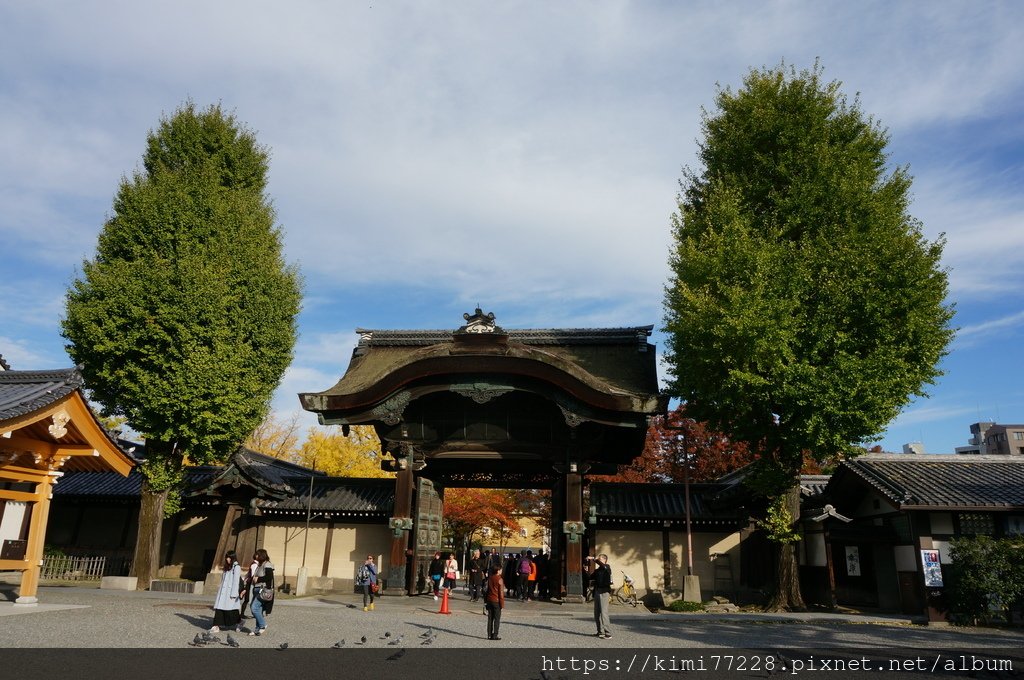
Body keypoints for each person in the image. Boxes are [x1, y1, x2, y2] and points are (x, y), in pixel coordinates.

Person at [210, 550, 243, 633]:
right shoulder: (226, 567)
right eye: (227, 557)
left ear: (233, 557)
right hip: (223, 592)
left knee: (231, 611)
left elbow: (236, 581)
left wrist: (234, 593)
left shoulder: (236, 567)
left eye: (229, 557)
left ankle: (239, 622)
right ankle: (216, 626)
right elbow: (223, 580)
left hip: (230, 592)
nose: (228, 559)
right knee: (219, 608)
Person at [249, 548, 275, 636]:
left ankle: (263, 625)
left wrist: (258, 579)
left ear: (262, 555)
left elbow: (269, 577)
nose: (256, 556)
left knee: (254, 608)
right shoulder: (260, 565)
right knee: (258, 610)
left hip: (262, 589)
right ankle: (258, 629)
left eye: (257, 554)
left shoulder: (267, 564)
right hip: (256, 588)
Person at [588, 554, 613, 639]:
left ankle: (608, 633)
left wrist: (594, 559)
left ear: (605, 560)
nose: (598, 560)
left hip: (604, 592)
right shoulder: (597, 570)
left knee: (604, 613)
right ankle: (600, 631)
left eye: (600, 558)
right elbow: (590, 577)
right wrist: (585, 570)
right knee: (596, 614)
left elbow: (601, 565)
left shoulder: (607, 568)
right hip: (597, 592)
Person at [484, 565, 505, 640]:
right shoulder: (500, 579)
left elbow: (486, 590)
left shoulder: (490, 578)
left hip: (489, 600)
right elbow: (501, 593)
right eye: (501, 570)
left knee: (490, 618)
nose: (501, 571)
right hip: (496, 601)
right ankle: (495, 635)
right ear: (498, 571)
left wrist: (485, 601)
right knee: (497, 619)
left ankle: (489, 635)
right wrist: (502, 604)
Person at [239, 552, 258, 618]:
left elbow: (248, 574)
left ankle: (245, 613)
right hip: (250, 584)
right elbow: (253, 575)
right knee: (248, 599)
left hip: (249, 583)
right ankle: (243, 614)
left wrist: (244, 578)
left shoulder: (254, 564)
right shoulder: (255, 565)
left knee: (248, 599)